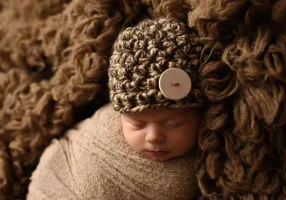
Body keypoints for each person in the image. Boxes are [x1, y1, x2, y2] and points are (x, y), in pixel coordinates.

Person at [27, 18, 204, 200]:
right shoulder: (104, 128)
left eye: (173, 123)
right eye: (137, 124)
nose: (153, 137)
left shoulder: (205, 162)